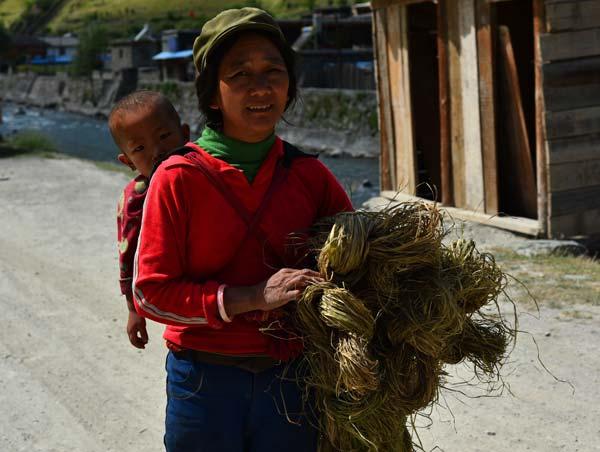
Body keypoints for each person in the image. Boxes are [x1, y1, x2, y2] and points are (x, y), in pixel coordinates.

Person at [132, 8, 353, 452]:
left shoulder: (311, 176)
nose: (261, 87)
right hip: (204, 382)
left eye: (274, 72)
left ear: (288, 87)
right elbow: (151, 293)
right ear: (213, 94)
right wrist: (253, 296)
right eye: (240, 74)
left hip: (292, 382)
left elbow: (355, 259)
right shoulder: (178, 178)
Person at [109, 90, 190, 349]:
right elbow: (128, 255)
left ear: (186, 135)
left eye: (164, 136)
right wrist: (134, 308)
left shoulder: (205, 174)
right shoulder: (137, 199)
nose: (158, 151)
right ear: (128, 161)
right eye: (140, 148)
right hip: (179, 295)